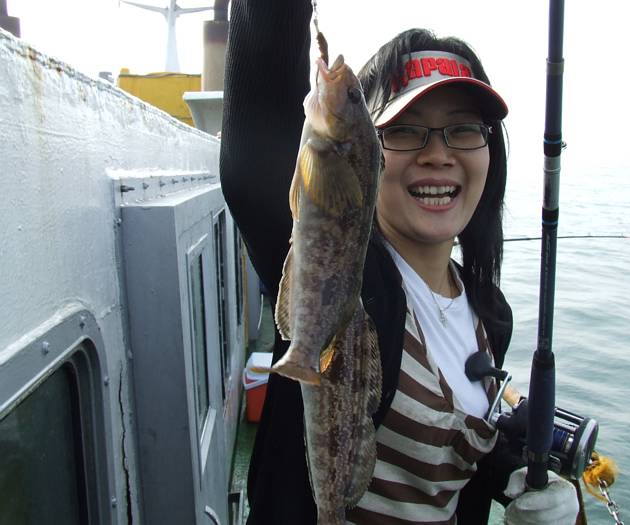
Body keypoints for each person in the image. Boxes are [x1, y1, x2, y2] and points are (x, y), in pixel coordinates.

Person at [220, 0, 579, 523]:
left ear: (490, 153)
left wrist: (508, 475)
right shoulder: (338, 276)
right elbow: (252, 153)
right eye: (405, 129)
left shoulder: (490, 312)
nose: (438, 154)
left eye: (463, 129)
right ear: (365, 153)